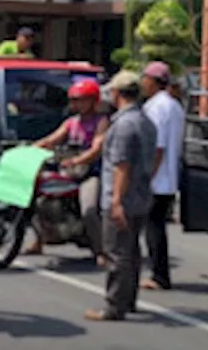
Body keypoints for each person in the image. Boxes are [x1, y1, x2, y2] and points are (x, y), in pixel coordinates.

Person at [85, 70, 156, 321]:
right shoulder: (145, 121)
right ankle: (128, 300)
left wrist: (116, 200)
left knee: (116, 253)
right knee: (131, 252)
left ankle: (114, 305)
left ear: (117, 93)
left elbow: (122, 165)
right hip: (141, 194)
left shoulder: (124, 124)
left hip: (123, 196)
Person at [31, 78, 108, 260]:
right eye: (74, 99)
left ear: (93, 101)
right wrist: (31, 148)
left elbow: (97, 148)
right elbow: (51, 140)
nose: (76, 104)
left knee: (88, 210)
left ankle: (101, 251)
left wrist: (78, 160)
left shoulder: (101, 121)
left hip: (89, 173)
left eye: (81, 99)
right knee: (38, 197)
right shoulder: (71, 123)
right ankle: (39, 241)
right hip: (68, 172)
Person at [138, 62, 185, 292]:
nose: (142, 83)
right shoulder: (174, 105)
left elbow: (157, 147)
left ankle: (159, 275)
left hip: (157, 177)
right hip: (168, 176)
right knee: (156, 226)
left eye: (145, 78)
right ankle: (159, 272)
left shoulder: (156, 107)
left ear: (154, 81)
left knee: (153, 228)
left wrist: (147, 175)